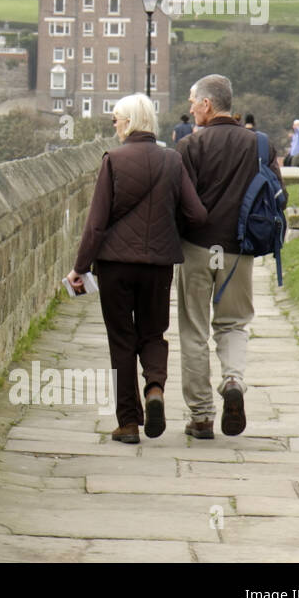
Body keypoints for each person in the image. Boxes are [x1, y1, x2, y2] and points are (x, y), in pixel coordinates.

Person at [66, 93, 207, 444]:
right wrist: (167, 230)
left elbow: (96, 224)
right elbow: (197, 214)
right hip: (158, 265)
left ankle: (128, 422)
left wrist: (79, 268)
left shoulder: (112, 160)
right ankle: (155, 389)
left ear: (129, 122)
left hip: (114, 266)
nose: (114, 124)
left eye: (116, 118)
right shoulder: (172, 161)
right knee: (153, 333)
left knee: (122, 341)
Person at [176, 74, 285, 438]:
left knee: (194, 330)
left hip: (196, 247)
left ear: (207, 104)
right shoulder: (259, 145)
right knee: (234, 324)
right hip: (239, 250)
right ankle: (234, 380)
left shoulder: (189, 147)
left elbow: (178, 203)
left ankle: (202, 416)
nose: (190, 108)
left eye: (193, 101)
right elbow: (276, 195)